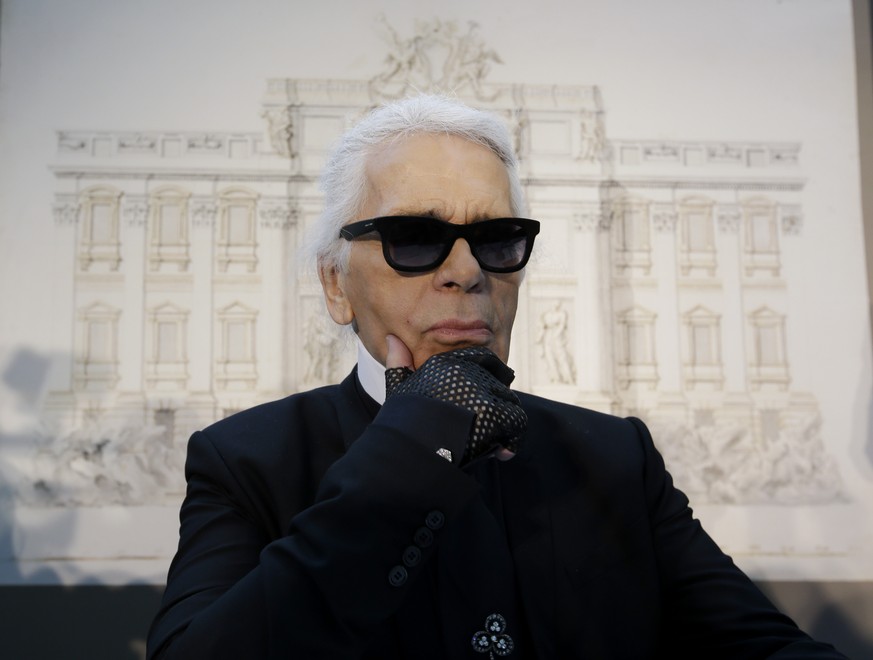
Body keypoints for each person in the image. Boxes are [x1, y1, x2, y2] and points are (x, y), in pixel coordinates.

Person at [147, 95, 846, 659]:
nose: (466, 271)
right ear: (335, 284)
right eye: (414, 238)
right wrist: (410, 450)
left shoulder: (613, 457)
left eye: (495, 239)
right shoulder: (245, 459)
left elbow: (760, 646)